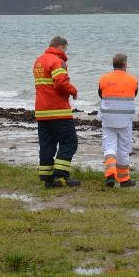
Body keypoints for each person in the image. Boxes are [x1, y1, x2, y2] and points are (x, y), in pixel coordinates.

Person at [32, 36, 81, 188]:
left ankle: (48, 179)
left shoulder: (38, 61)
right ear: (60, 47)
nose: (65, 52)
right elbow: (60, 82)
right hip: (58, 111)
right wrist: (73, 91)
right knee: (70, 142)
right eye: (65, 49)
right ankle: (61, 174)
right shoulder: (57, 61)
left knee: (47, 145)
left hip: (41, 112)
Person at [98, 53, 139, 188]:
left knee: (109, 147)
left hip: (108, 118)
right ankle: (124, 179)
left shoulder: (103, 78)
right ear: (125, 64)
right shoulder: (133, 79)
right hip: (125, 120)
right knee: (123, 148)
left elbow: (101, 94)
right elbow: (134, 94)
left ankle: (110, 173)